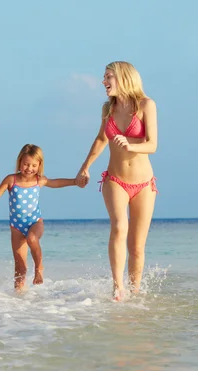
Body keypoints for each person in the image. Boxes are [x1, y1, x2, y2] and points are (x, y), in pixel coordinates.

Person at [75, 61, 158, 301]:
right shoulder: (107, 109)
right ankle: (118, 287)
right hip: (115, 180)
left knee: (137, 246)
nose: (103, 81)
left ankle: (135, 290)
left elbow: (153, 144)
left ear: (123, 78)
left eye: (108, 76)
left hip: (144, 184)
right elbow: (101, 139)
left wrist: (130, 143)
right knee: (120, 227)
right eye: (104, 76)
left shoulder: (146, 105)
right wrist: (85, 168)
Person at [0, 144, 77, 291]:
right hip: (16, 227)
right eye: (26, 164)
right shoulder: (11, 180)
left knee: (32, 239)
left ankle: (39, 268)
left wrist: (75, 182)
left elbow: (56, 182)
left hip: (35, 222)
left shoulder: (39, 180)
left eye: (34, 165)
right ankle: (19, 299)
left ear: (39, 165)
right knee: (20, 268)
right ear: (19, 162)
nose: (29, 168)